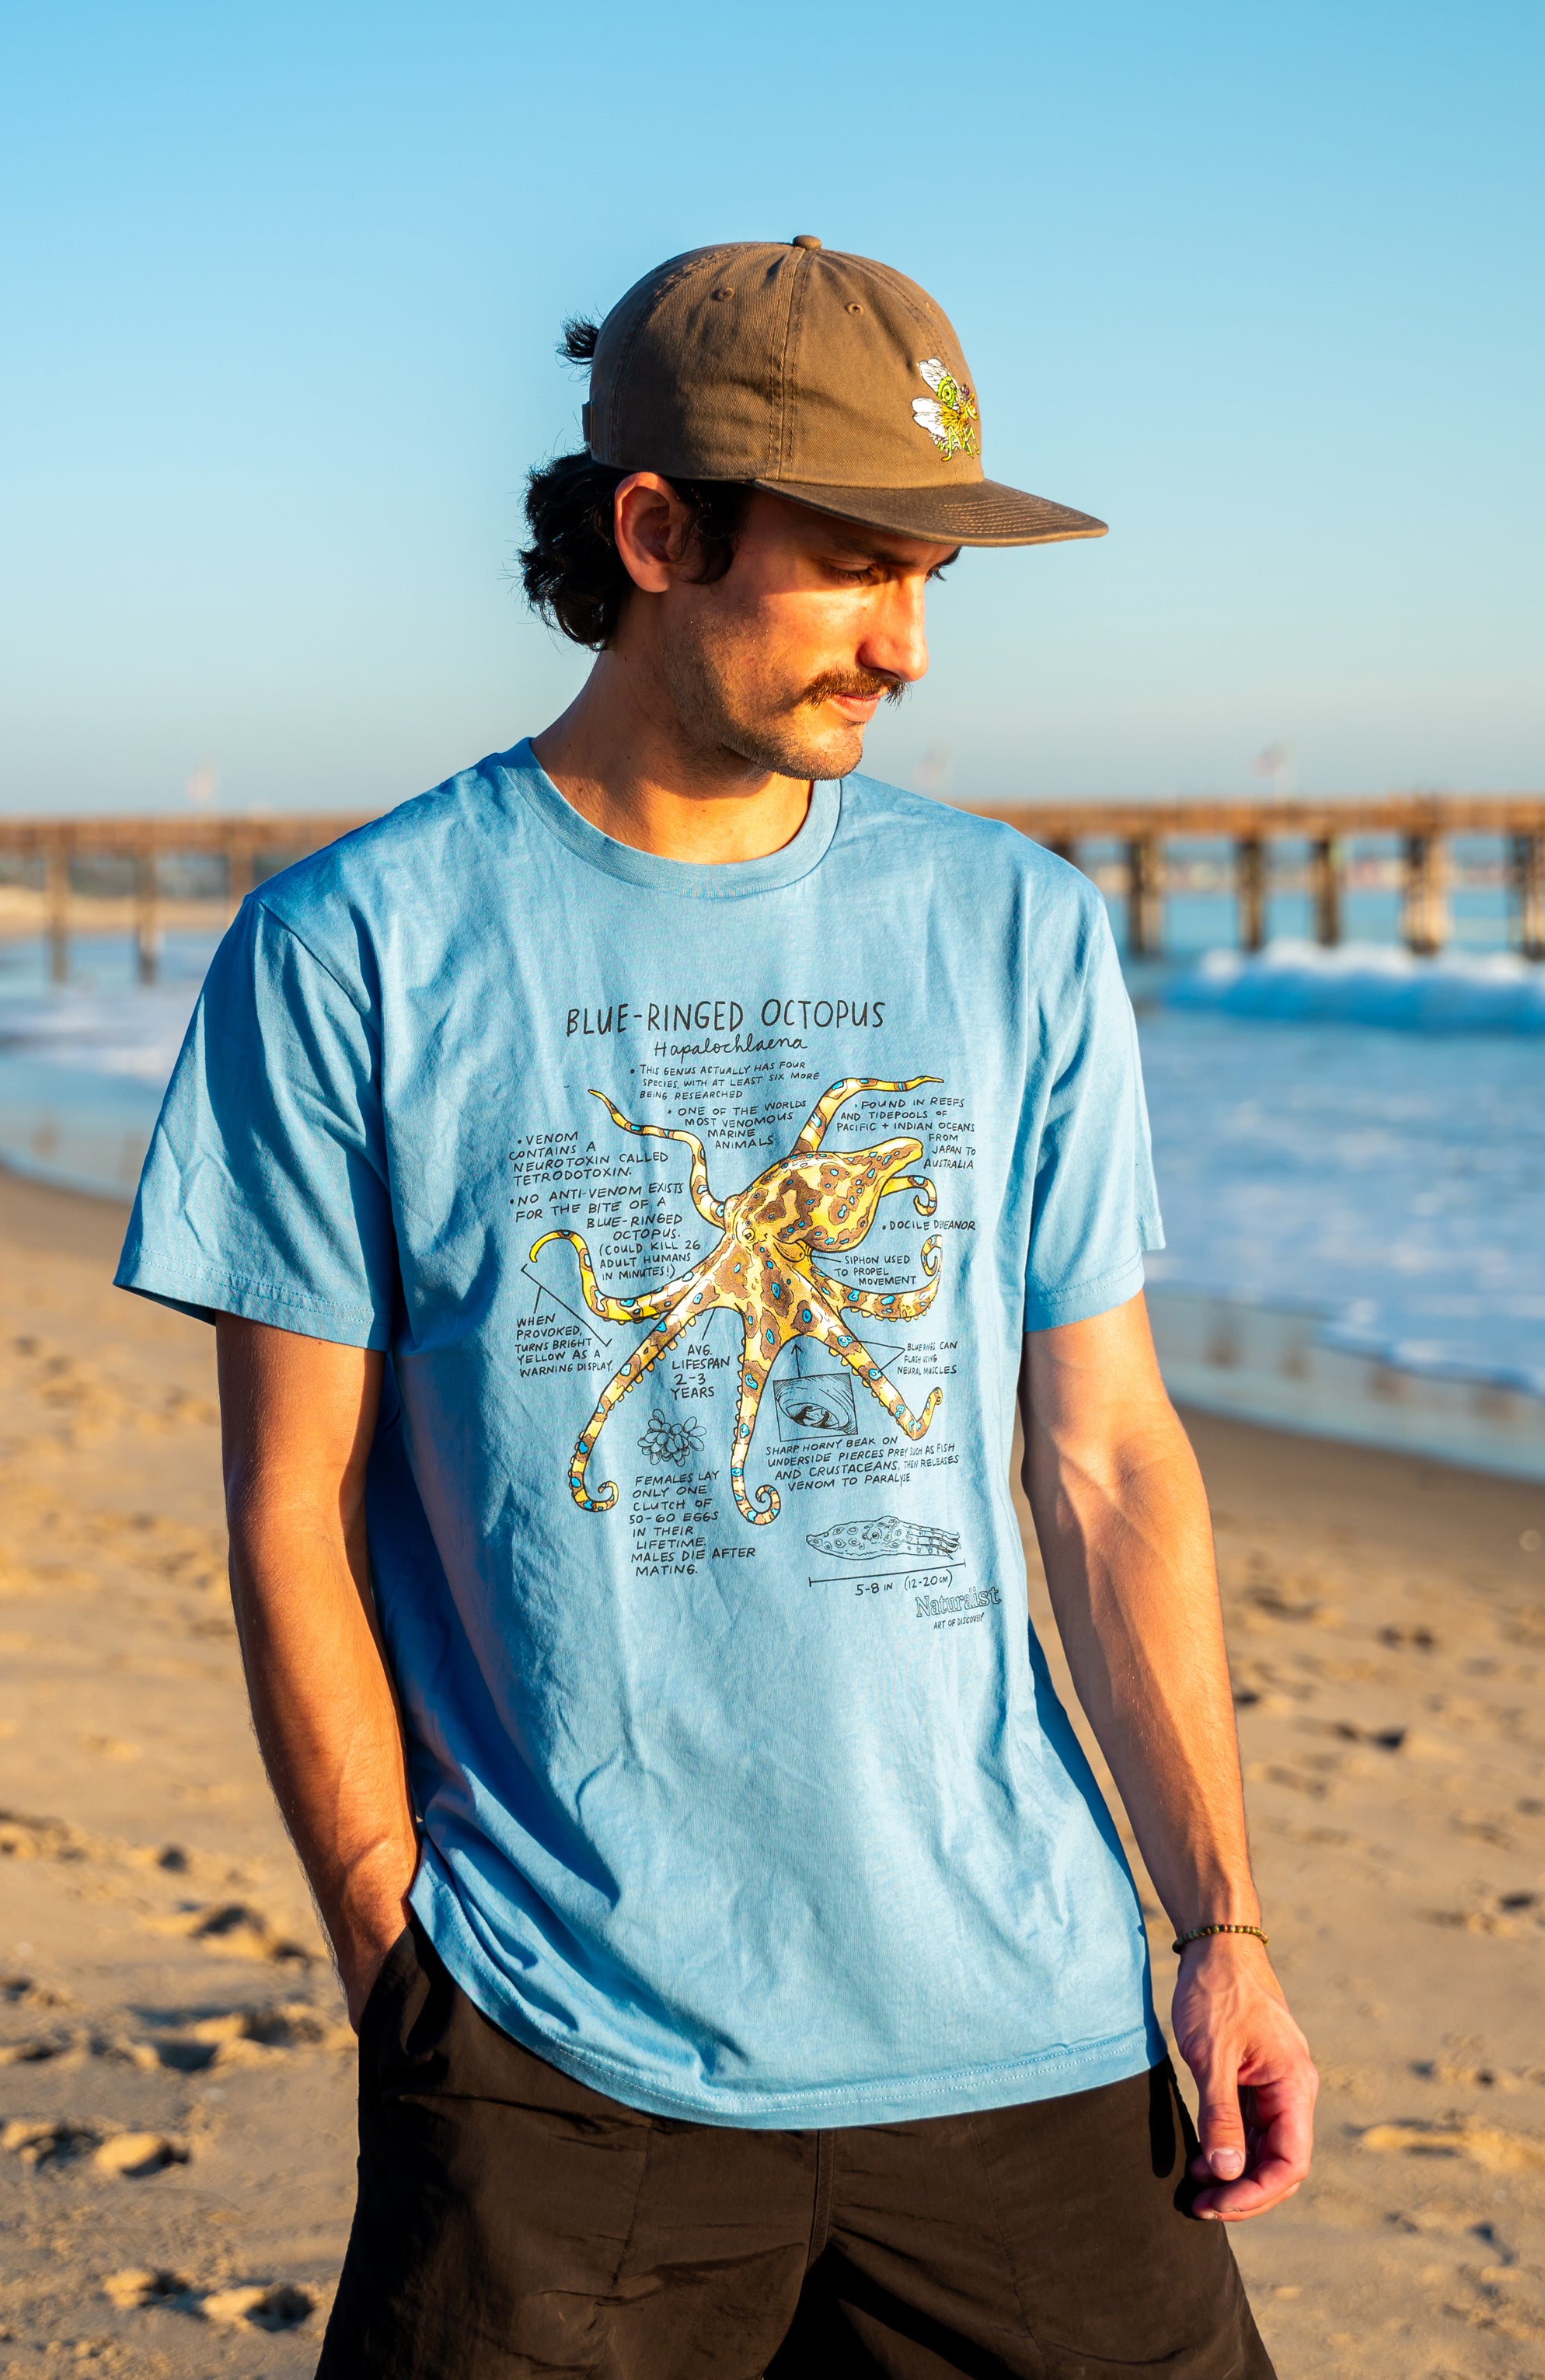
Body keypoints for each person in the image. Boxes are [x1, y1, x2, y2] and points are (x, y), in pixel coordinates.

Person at [117, 237, 1315, 2378]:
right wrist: (406, 1970)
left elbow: (1112, 1458)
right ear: (657, 534)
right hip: (561, 2064)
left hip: (1025, 2029)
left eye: (935, 574)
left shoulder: (1017, 932)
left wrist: (1217, 1924)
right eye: (858, 565)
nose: (911, 642)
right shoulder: (355, 952)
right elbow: (291, 1506)